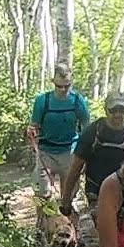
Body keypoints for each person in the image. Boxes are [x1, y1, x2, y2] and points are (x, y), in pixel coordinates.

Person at [60, 90, 124, 224]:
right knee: (105, 227)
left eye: (122, 110)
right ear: (105, 110)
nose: (118, 114)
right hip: (97, 191)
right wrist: (66, 202)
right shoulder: (92, 132)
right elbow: (75, 168)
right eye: (113, 110)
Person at [27, 63, 89, 199]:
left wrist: (84, 157)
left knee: (69, 196)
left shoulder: (78, 101)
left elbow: (86, 129)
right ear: (53, 82)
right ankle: (43, 219)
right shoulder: (42, 101)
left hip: (69, 153)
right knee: (42, 195)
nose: (62, 89)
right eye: (59, 86)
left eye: (66, 86)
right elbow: (34, 125)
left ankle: (67, 218)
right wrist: (31, 131)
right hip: (45, 152)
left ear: (71, 83)